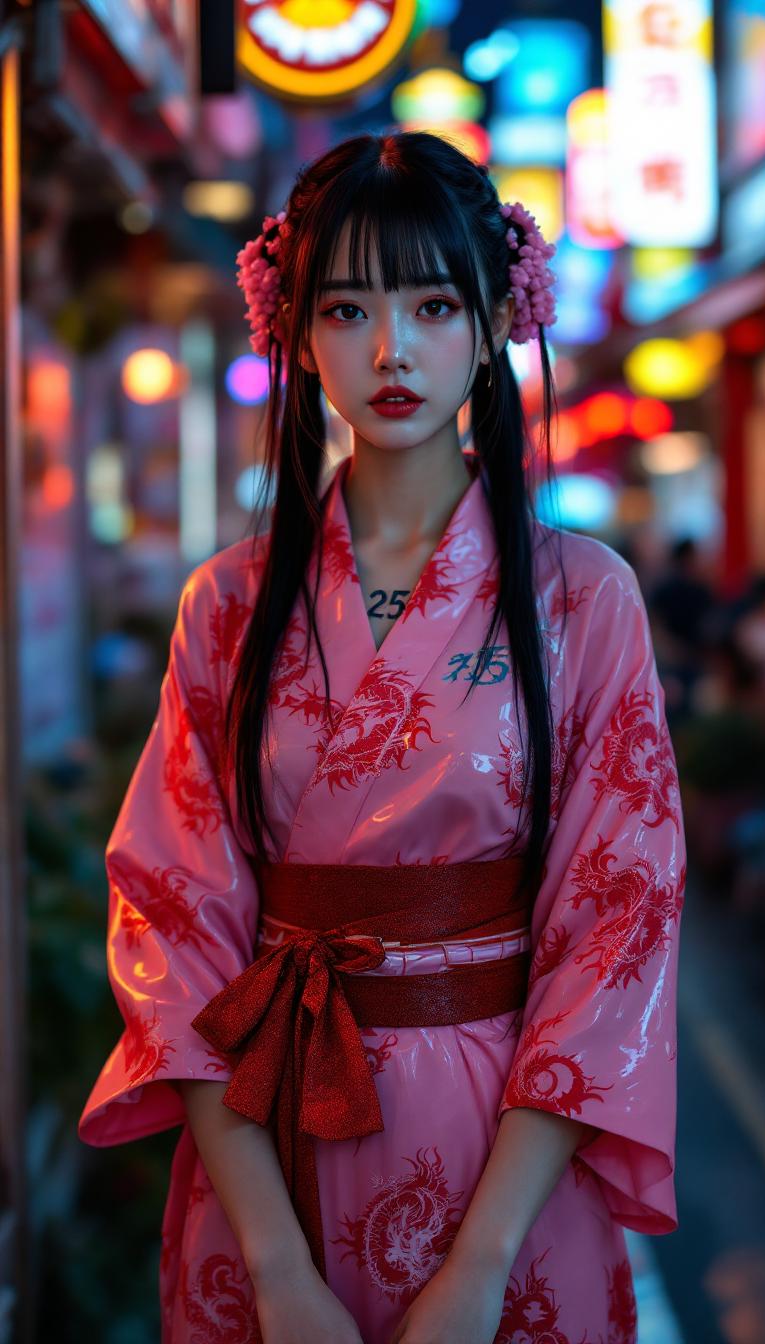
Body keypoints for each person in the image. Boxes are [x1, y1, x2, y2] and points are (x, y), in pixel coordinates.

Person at [79, 132, 686, 1344]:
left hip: (503, 1146)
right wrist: (274, 1267)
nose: (391, 349)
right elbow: (174, 920)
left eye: (433, 303)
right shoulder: (230, 606)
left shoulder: (583, 596)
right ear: (296, 329)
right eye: (349, 306)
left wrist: (482, 1266)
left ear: (495, 321)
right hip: (272, 1132)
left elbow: (617, 927)